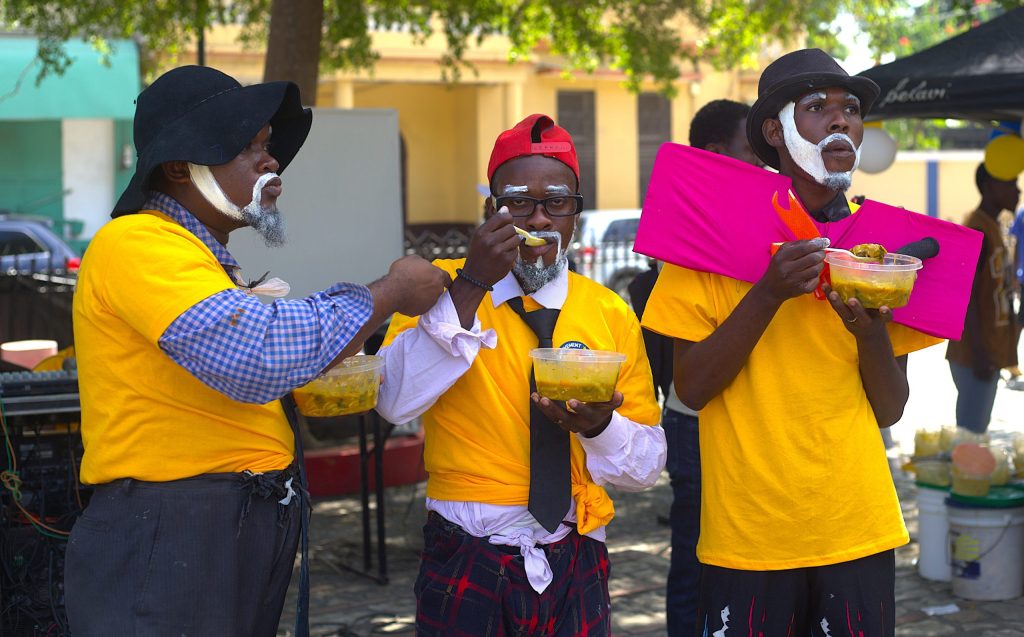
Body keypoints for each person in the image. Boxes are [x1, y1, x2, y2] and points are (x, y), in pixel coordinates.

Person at [65, 65, 449, 636]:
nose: (271, 164)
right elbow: (258, 354)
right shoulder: (136, 243)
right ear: (178, 167)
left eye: (268, 148)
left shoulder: (201, 258)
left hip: (220, 522)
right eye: (249, 149)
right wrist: (389, 293)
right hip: (172, 527)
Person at [641, 49, 940, 636]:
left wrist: (872, 331)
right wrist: (768, 293)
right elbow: (691, 389)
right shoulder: (707, 243)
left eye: (851, 109)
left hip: (858, 525)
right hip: (749, 535)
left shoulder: (882, 247)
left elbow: (891, 407)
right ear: (774, 132)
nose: (840, 121)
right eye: (817, 107)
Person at [375, 114, 665, 636]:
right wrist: (471, 285)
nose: (538, 220)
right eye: (516, 203)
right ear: (491, 210)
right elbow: (394, 402)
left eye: (556, 202)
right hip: (466, 545)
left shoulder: (610, 313)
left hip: (577, 548)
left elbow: (645, 470)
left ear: (576, 213)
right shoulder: (438, 292)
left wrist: (600, 428)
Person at [628, 98, 764, 637]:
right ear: (716, 154)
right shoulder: (689, 225)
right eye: (753, 152)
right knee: (697, 560)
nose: (767, 166)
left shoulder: (765, 216)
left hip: (752, 416)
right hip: (695, 419)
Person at [946, 164, 1021, 430]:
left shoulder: (992, 226)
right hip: (975, 354)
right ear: (990, 188)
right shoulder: (977, 229)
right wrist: (979, 353)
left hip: (988, 351)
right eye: (1011, 184)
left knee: (975, 429)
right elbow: (964, 297)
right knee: (970, 434)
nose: (1018, 190)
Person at [1008, 203, 1024, 390]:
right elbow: (1016, 242)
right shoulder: (1022, 212)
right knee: (1020, 321)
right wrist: (1013, 273)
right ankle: (1011, 361)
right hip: (1023, 276)